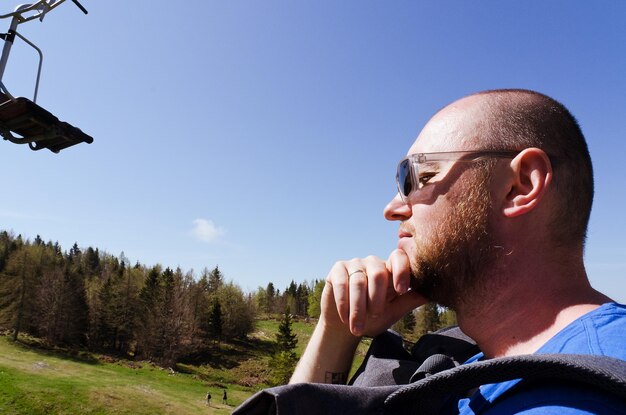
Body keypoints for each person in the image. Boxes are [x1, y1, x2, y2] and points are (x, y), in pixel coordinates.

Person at [289, 89, 626, 413]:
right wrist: (338, 331)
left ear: (519, 185)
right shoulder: (482, 363)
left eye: (419, 177)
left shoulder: (577, 398)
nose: (392, 208)